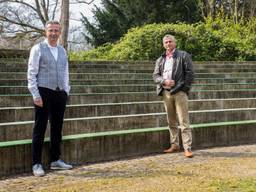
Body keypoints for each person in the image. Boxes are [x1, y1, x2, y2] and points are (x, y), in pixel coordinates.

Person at [27, 20, 72, 177]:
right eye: (51, 30)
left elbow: (66, 72)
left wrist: (66, 90)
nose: (53, 33)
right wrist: (35, 94)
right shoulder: (37, 49)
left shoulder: (63, 51)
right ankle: (36, 163)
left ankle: (55, 160)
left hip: (60, 93)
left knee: (57, 128)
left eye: (56, 31)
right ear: (45, 32)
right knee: (39, 128)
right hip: (43, 91)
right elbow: (31, 73)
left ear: (60, 32)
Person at [153, 34, 194, 158]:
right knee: (171, 121)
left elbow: (190, 74)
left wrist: (183, 89)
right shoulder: (160, 59)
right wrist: (163, 81)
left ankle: (187, 148)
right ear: (163, 44)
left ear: (175, 43)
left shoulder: (183, 55)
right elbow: (155, 76)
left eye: (170, 41)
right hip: (166, 93)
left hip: (180, 92)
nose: (168, 44)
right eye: (166, 42)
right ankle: (174, 145)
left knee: (183, 121)